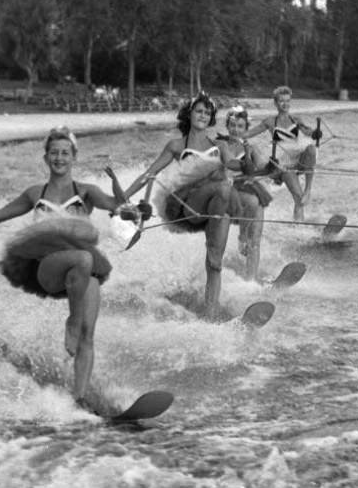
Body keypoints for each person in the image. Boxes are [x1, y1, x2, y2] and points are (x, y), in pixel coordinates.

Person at [0, 126, 140, 407]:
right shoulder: (34, 193)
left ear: (74, 157)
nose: (60, 158)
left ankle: (78, 400)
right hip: (47, 271)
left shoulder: (86, 192)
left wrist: (127, 202)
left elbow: (118, 205)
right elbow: (2, 213)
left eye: (65, 153)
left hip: (79, 275)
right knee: (84, 258)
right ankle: (72, 322)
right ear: (46, 158)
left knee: (89, 331)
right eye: (54, 153)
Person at [123, 91, 247, 319]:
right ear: (189, 114)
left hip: (217, 208)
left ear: (211, 119)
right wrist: (124, 195)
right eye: (199, 111)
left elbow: (232, 163)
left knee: (215, 264)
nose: (203, 115)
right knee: (223, 189)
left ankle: (210, 314)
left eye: (207, 112)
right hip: (188, 207)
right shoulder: (177, 145)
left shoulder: (219, 144)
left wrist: (250, 163)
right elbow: (149, 174)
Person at [241, 85, 322, 221]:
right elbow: (249, 133)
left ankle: (308, 190)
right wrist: (236, 134)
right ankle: (299, 227)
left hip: (298, 159)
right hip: (283, 165)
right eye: (281, 101)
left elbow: (308, 131)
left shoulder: (296, 120)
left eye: (288, 100)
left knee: (311, 149)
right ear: (276, 103)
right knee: (298, 197)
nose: (285, 104)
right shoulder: (270, 121)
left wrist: (315, 134)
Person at [222, 105, 273, 280]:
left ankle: (250, 280)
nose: (236, 130)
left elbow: (263, 169)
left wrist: (272, 167)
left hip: (250, 190)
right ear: (227, 126)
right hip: (229, 194)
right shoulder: (220, 146)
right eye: (233, 125)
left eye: (240, 126)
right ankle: (242, 235)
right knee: (252, 201)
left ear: (245, 129)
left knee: (256, 238)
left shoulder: (250, 148)